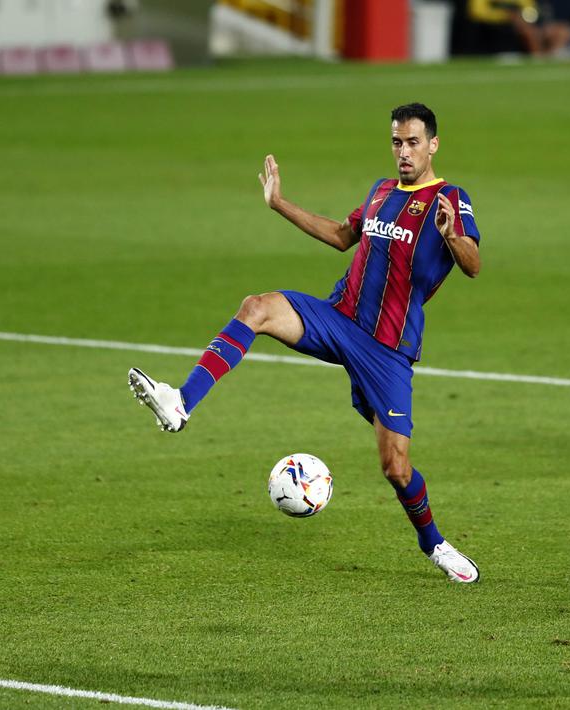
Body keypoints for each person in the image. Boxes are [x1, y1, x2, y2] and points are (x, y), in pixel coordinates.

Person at [128, 103, 483, 583]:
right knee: (256, 307)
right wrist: (280, 203)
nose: (403, 151)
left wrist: (451, 236)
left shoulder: (450, 197)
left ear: (433, 144)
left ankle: (435, 544)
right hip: (338, 318)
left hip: (387, 350)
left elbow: (474, 264)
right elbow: (341, 236)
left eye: (413, 142)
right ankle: (180, 402)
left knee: (396, 468)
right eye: (397, 141)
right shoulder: (381, 192)